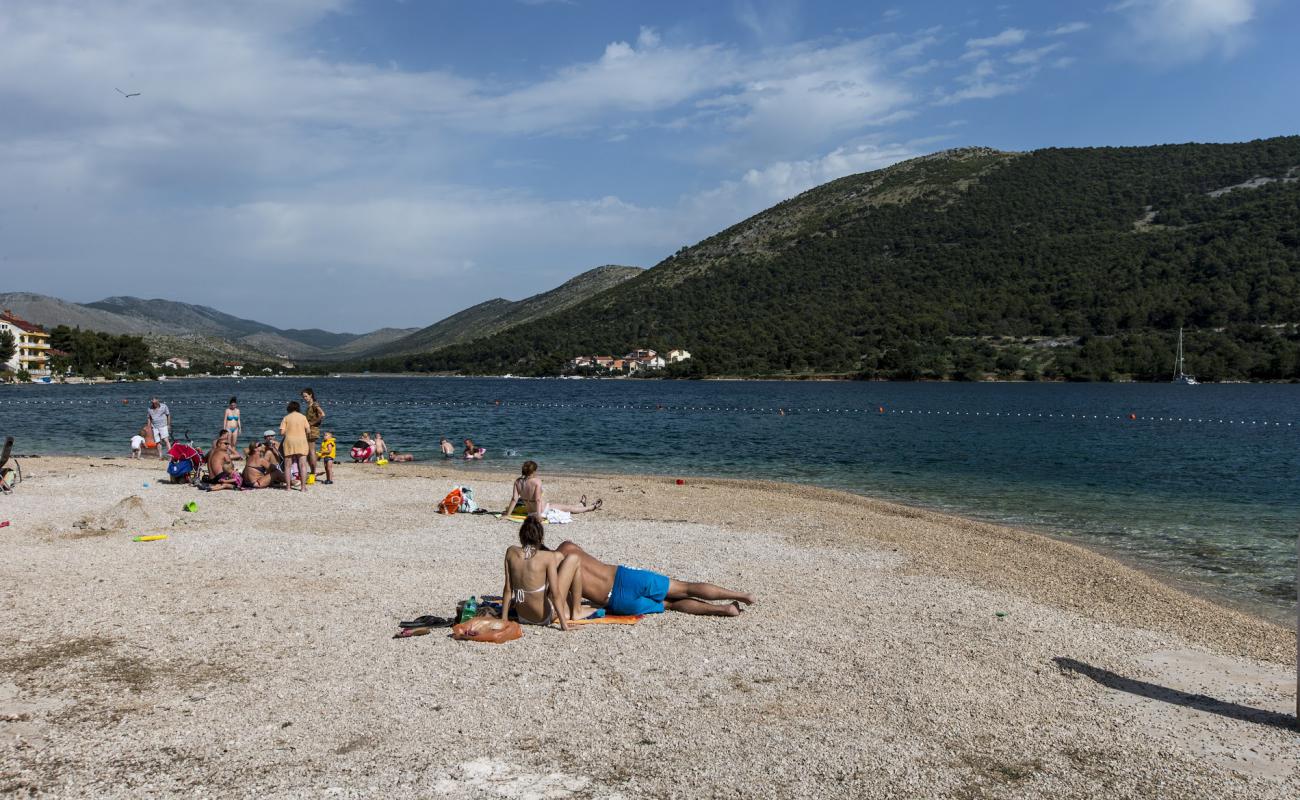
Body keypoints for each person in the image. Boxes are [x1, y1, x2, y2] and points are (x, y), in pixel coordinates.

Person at [556, 541, 755, 617]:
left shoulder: (557, 574)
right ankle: (741, 595)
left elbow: (562, 602)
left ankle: (724, 610)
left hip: (617, 601)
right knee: (685, 587)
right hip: (626, 576)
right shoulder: (567, 546)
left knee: (670, 605)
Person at [501, 517, 584, 631]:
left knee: (559, 556)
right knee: (574, 558)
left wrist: (504, 620)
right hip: (543, 617)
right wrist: (564, 625)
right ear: (540, 538)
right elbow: (555, 594)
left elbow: (508, 590)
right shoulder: (547, 557)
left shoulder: (510, 552)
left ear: (521, 535)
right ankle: (577, 610)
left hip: (522, 616)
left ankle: (572, 608)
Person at [502, 460, 601, 523]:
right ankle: (590, 507)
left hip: (530, 512)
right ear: (533, 471)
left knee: (564, 506)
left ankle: (581, 504)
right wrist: (539, 516)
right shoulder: (537, 482)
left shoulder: (517, 482)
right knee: (569, 508)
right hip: (542, 510)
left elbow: (514, 499)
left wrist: (508, 515)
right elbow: (537, 500)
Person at [279, 401, 311, 492]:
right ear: (298, 408)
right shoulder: (303, 417)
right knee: (303, 465)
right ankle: (303, 487)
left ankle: (288, 487)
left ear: (289, 408)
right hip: (301, 441)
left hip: (289, 441)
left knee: (287, 465)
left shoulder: (286, 417)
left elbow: (281, 432)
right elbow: (308, 431)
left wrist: (289, 431)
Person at [302, 388, 325, 480]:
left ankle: (313, 472)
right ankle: (312, 470)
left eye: (306, 396)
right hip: (309, 429)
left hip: (312, 429)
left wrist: (312, 423)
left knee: (311, 451)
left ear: (311, 395)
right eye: (303, 396)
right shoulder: (310, 405)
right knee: (309, 451)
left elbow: (322, 414)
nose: (304, 398)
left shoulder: (315, 404)